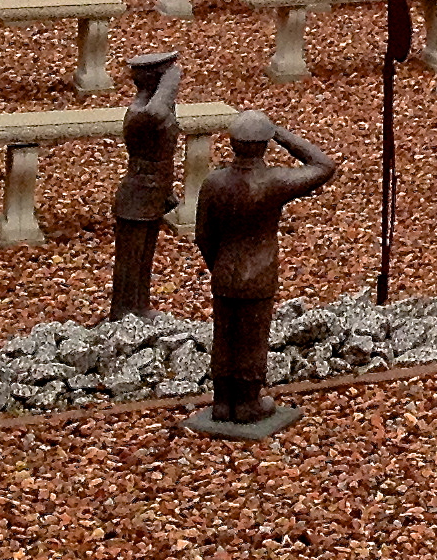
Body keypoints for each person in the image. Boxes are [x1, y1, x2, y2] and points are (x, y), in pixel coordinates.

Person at [188, 113, 336, 436]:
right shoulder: (274, 181)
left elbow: (202, 235)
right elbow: (324, 166)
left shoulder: (214, 182)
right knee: (252, 337)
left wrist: (218, 265)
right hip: (258, 272)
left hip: (225, 270)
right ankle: (247, 403)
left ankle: (223, 401)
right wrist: (282, 134)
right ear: (263, 144)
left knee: (224, 335)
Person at [108, 50, 183, 322]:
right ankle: (122, 312)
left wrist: (167, 191)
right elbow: (156, 113)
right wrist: (171, 82)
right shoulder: (141, 110)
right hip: (137, 196)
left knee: (143, 260)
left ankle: (139, 307)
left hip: (154, 193)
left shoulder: (160, 106)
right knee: (130, 262)